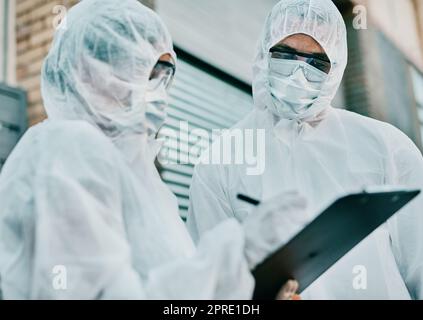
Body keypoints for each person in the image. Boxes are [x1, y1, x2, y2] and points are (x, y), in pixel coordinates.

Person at [0, 0, 306, 300]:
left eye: (165, 76)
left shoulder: (149, 187)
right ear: (88, 70)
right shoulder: (66, 148)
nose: (158, 91)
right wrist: (237, 256)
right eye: (146, 70)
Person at [187, 0, 423, 300]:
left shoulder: (387, 148)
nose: (298, 73)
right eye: (285, 55)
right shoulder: (220, 163)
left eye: (316, 62)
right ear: (263, 53)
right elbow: (209, 289)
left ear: (335, 67)